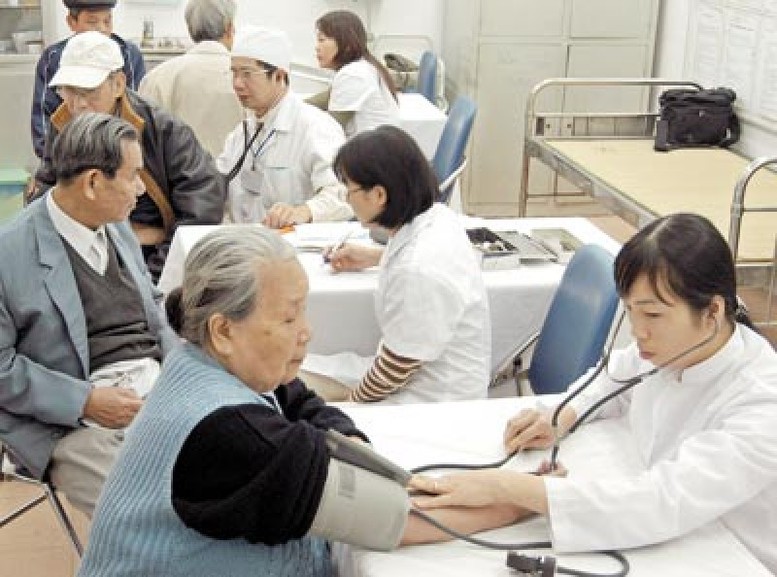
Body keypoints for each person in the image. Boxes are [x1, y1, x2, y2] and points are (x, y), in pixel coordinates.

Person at [76, 226, 515, 576]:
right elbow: (401, 519)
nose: (306, 332)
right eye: (288, 318)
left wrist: (349, 443)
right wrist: (528, 498)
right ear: (223, 330)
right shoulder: (229, 432)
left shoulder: (205, 362)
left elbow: (299, 399)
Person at [408, 213, 777, 574]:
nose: (638, 331)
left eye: (652, 315)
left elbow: (662, 501)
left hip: (736, 555)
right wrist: (561, 416)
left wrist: (505, 488)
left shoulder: (762, 401)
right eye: (630, 311)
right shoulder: (677, 347)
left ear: (712, 310)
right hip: (670, 530)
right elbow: (611, 378)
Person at [0, 112, 177, 517]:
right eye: (134, 176)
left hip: (154, 388)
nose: (142, 189)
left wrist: (178, 368)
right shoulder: (9, 254)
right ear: (93, 182)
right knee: (140, 515)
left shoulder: (115, 226)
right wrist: (85, 402)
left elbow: (154, 307)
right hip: (67, 418)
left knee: (236, 468)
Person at [31, 31, 226, 281]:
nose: (78, 104)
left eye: (89, 91)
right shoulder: (63, 124)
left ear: (118, 84)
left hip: (152, 256)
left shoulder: (162, 130)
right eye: (69, 91)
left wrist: (154, 275)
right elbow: (47, 193)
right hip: (82, 254)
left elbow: (202, 205)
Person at [320, 125, 490, 403]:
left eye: (348, 190)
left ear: (379, 195)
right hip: (421, 376)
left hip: (431, 402)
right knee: (303, 369)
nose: (347, 199)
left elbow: (395, 369)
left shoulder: (418, 270)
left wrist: (351, 405)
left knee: (296, 388)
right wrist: (373, 256)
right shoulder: (437, 217)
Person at [217, 26, 352, 228]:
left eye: (247, 74)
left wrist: (303, 211)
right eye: (234, 73)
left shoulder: (315, 127)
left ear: (279, 76)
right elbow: (219, 185)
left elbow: (343, 194)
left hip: (293, 243)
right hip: (244, 240)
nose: (237, 84)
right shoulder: (241, 133)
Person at [31, 0, 145, 159]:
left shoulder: (128, 55)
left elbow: (135, 112)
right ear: (71, 22)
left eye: (107, 21)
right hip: (68, 155)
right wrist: (56, 160)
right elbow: (43, 120)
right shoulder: (53, 58)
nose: (102, 29)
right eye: (92, 22)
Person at [138, 0, 242, 157]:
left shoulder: (156, 78)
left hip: (175, 171)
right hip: (236, 171)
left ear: (190, 28)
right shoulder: (247, 79)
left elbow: (144, 142)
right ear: (229, 28)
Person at [312, 10, 399, 137]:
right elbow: (325, 98)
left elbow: (331, 128)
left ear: (347, 45)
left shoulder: (353, 74)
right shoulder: (361, 67)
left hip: (374, 148)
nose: (317, 47)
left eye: (322, 40)